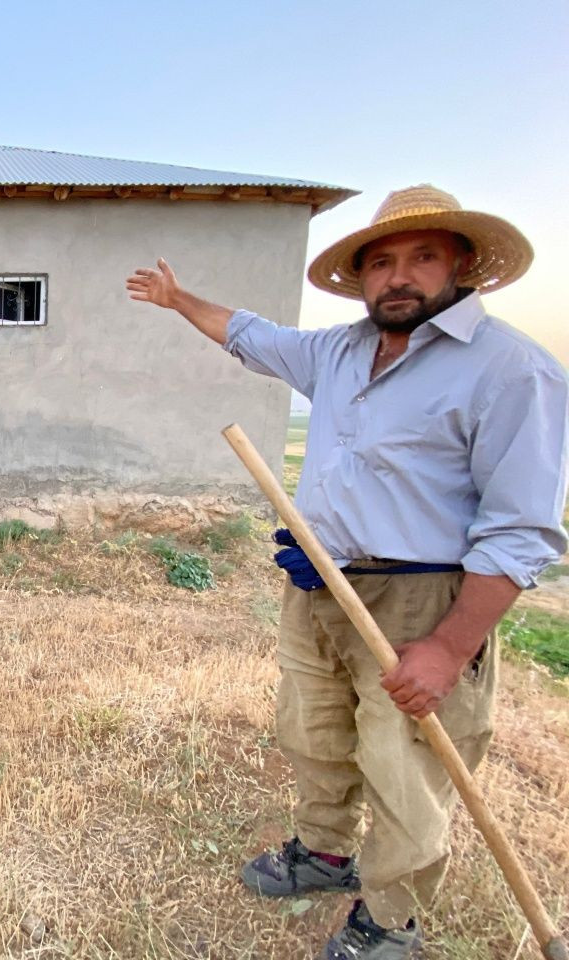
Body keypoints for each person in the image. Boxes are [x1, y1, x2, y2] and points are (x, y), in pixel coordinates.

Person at [125, 185, 569, 959]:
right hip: (319, 584)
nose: (399, 277)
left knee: (406, 765)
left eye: (423, 257)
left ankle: (391, 919)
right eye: (381, 262)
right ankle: (325, 853)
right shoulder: (338, 351)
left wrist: (450, 647)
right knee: (314, 733)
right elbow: (251, 334)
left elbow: (521, 530)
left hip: (422, 599)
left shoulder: (510, 370)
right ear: (362, 275)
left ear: (463, 265)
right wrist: (176, 300)